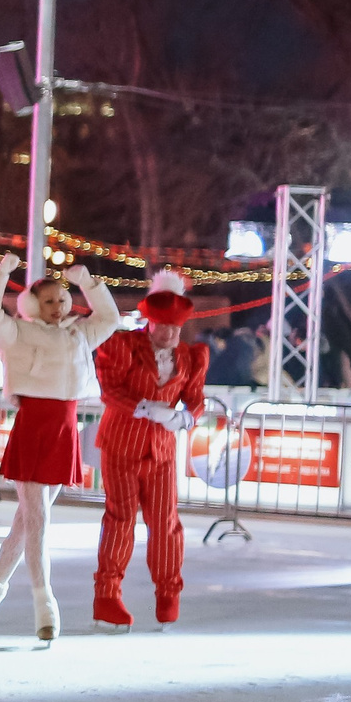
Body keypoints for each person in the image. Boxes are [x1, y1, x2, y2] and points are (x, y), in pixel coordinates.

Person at [0, 252, 119, 642]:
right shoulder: (17, 332)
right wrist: (1, 273)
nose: (58, 307)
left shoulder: (77, 333)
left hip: (64, 429)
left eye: (63, 299)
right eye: (49, 301)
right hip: (35, 428)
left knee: (27, 523)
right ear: (34, 305)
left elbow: (110, 319)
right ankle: (44, 603)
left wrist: (89, 281)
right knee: (39, 522)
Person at [90, 271, 207, 632]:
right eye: (162, 326)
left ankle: (168, 594)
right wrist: (146, 408)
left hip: (161, 452)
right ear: (149, 321)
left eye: (175, 328)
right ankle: (107, 596)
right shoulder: (123, 345)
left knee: (166, 524)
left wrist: (185, 418)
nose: (169, 334)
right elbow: (109, 390)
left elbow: (196, 401)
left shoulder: (189, 357)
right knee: (120, 520)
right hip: (121, 446)